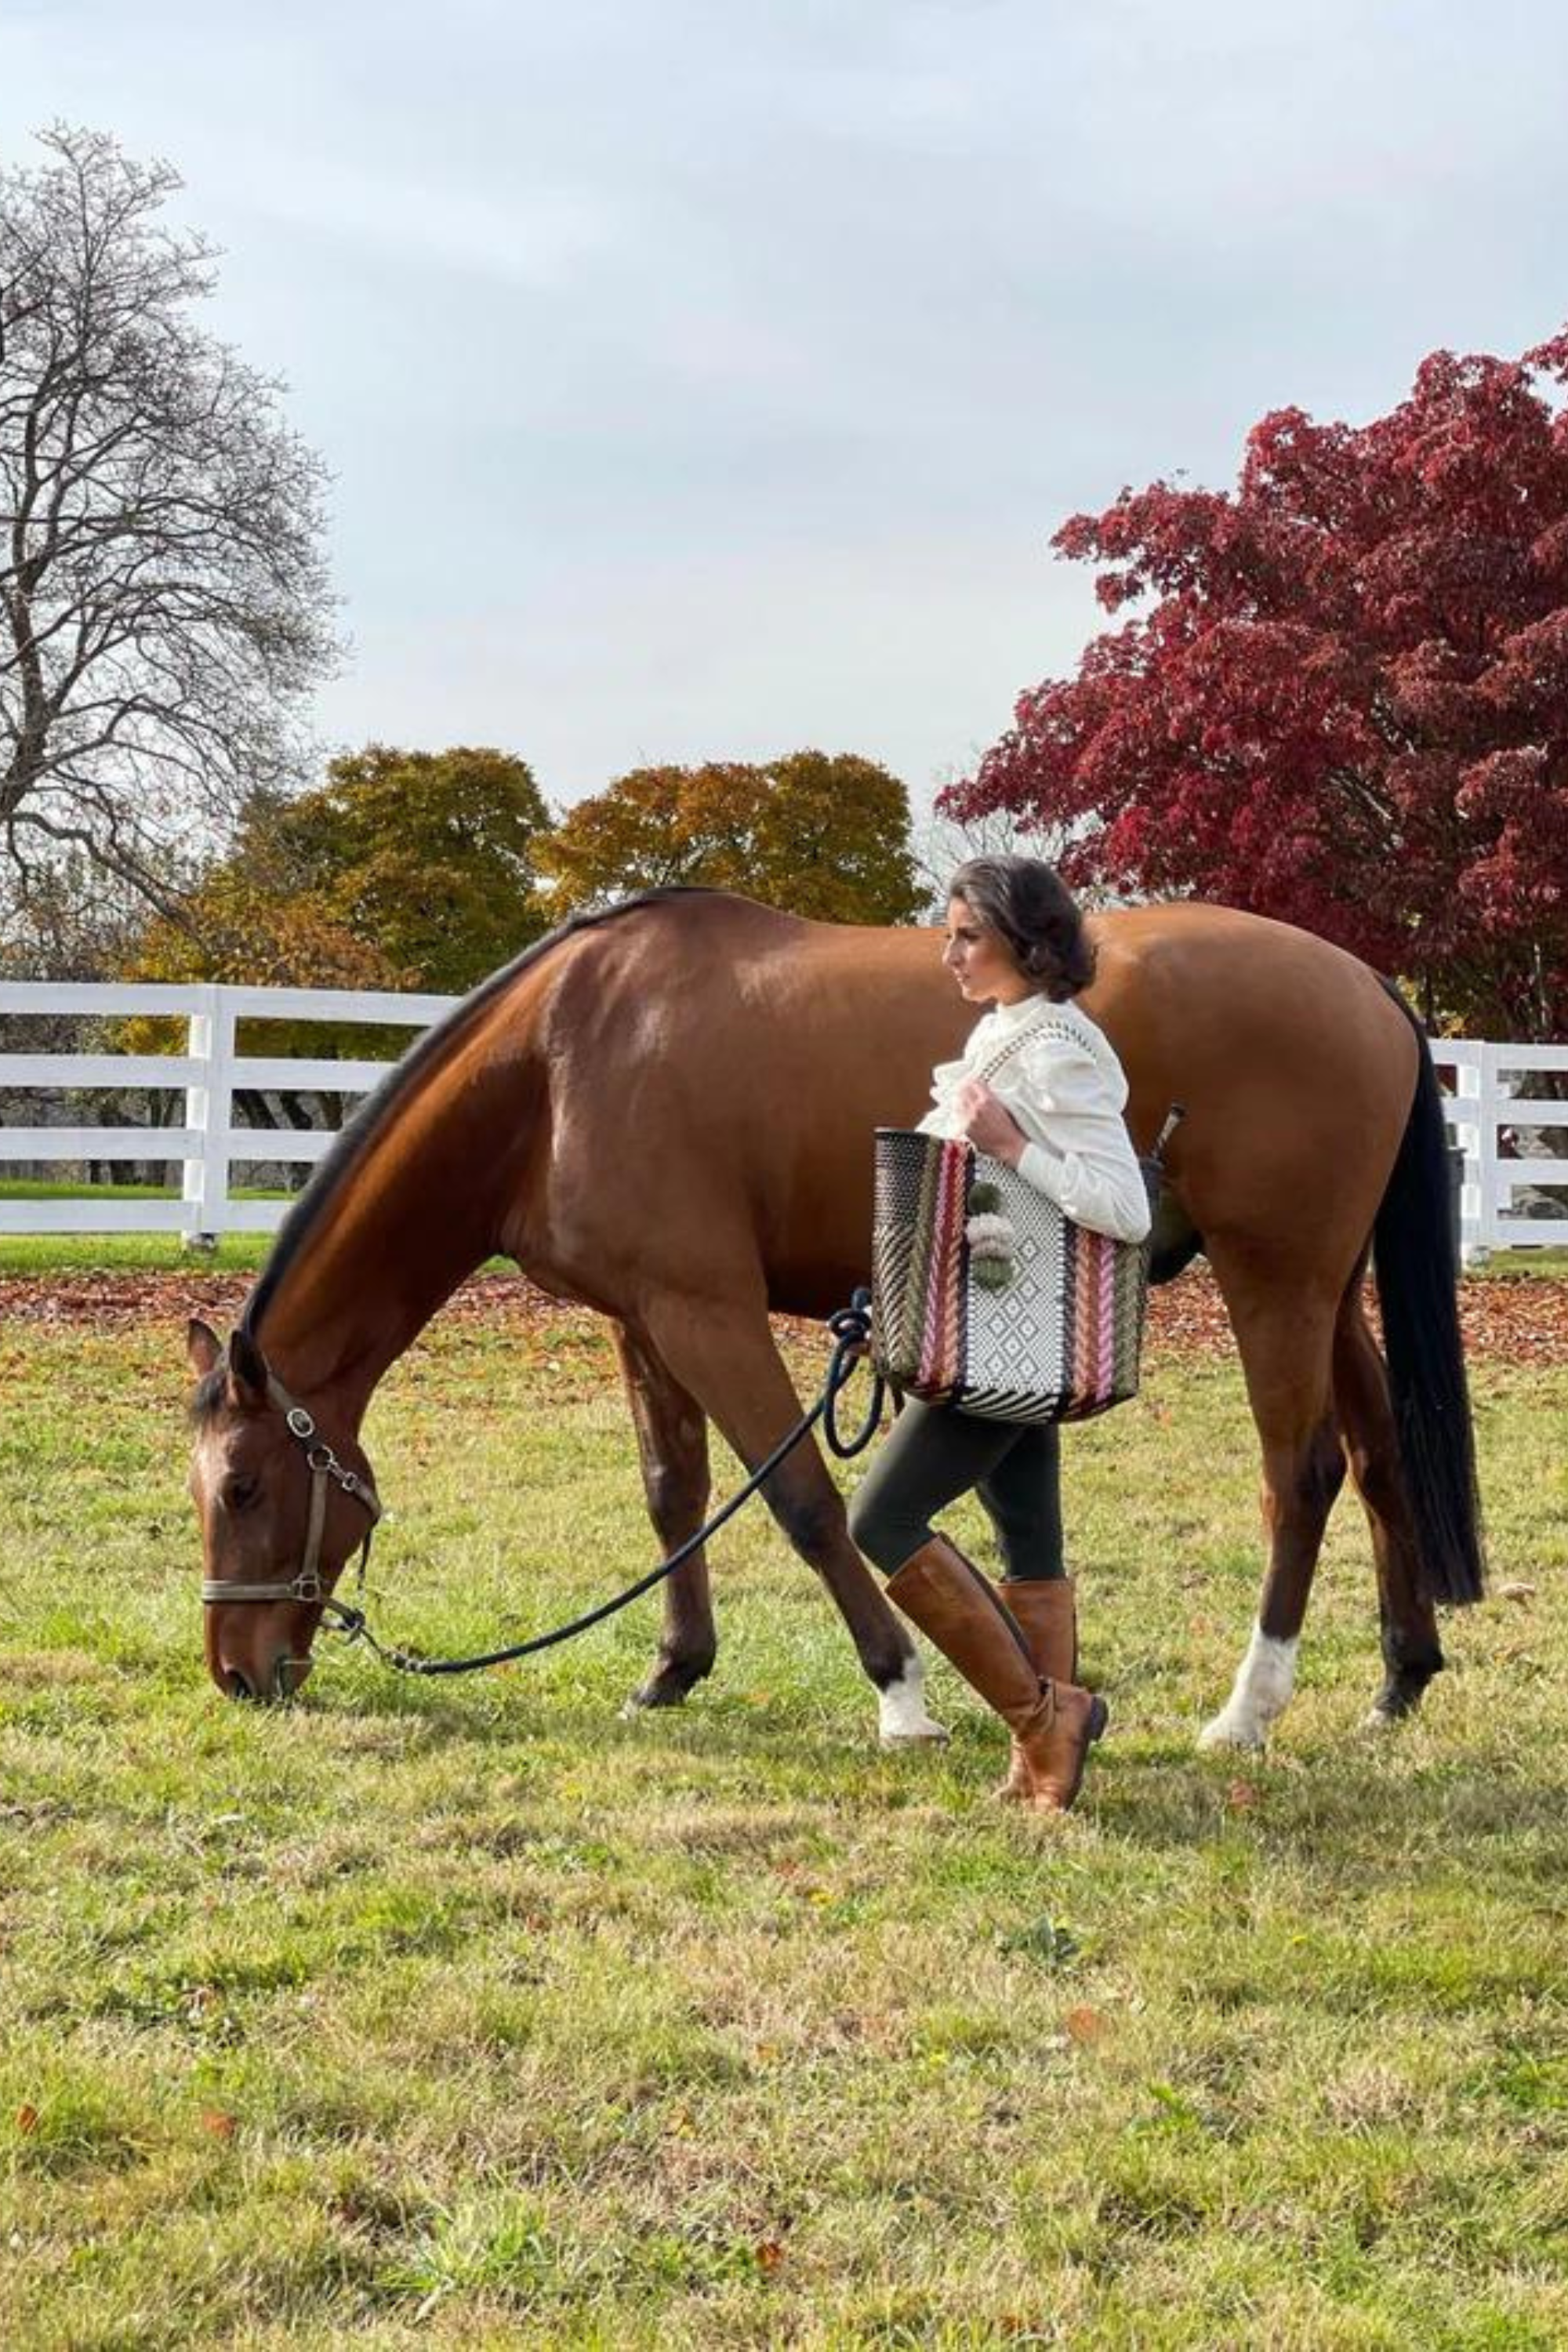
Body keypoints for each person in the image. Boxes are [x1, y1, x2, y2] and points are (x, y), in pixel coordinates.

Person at [848, 855, 1151, 1812]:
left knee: (880, 1519)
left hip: (1010, 1337)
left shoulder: (1057, 1045)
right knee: (1028, 1539)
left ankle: (1043, 1717)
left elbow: (1124, 1207)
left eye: (966, 935)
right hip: (992, 1326)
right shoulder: (1001, 1034)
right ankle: (1040, 1768)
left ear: (1028, 942)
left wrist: (1012, 1146)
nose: (948, 954)